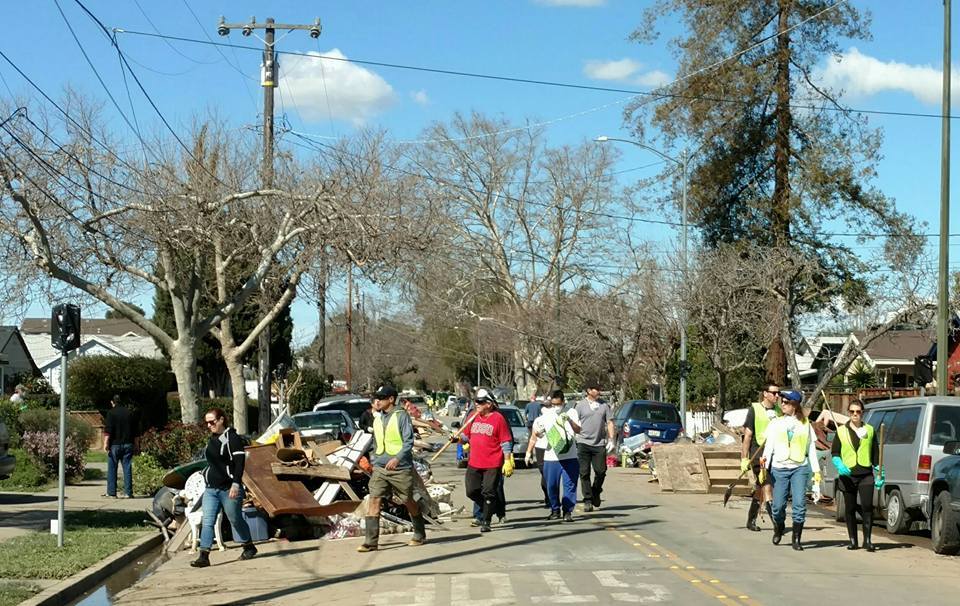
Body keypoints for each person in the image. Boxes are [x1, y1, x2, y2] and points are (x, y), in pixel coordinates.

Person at [357, 385, 427, 552]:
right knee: (374, 500)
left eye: (381, 398)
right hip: (380, 468)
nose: (377, 401)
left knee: (407, 500)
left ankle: (419, 532)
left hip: (400, 468)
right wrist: (374, 459)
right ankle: (370, 541)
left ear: (391, 399)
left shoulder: (401, 416)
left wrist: (397, 459)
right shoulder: (377, 418)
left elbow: (408, 441)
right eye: (376, 398)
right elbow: (376, 440)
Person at [191, 407, 257, 567]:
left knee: (235, 519)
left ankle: (249, 546)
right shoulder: (213, 439)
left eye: (212, 422)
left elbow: (239, 463)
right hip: (211, 489)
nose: (209, 426)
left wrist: (236, 483)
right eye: (206, 423)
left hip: (229, 488)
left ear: (221, 420)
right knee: (208, 521)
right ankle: (204, 556)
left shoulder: (232, 438)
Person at [761, 390, 822, 551]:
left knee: (799, 504)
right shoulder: (776, 423)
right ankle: (779, 527)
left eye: (786, 402)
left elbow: (811, 450)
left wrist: (816, 473)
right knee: (778, 506)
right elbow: (769, 447)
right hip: (779, 468)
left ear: (794, 405)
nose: (782, 404)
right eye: (782, 401)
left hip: (799, 468)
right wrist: (764, 467)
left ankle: (796, 539)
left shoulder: (805, 424)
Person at [452, 388, 513, 533]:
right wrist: (458, 439)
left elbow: (505, 442)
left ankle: (486, 521)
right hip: (474, 462)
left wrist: (507, 460)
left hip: (493, 463)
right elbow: (466, 437)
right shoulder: (473, 417)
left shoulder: (498, 418)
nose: (477, 404)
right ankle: (493, 505)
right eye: (476, 401)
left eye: (480, 402)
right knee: (471, 491)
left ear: (489, 404)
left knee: (489, 491)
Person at [830, 400, 882, 551]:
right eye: (852, 411)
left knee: (867, 506)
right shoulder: (841, 431)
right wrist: (839, 464)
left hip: (866, 473)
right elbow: (835, 452)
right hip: (848, 475)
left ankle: (868, 540)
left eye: (858, 412)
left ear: (862, 413)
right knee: (850, 508)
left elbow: (876, 452)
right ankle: (853, 540)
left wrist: (879, 470)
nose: (855, 414)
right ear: (848, 412)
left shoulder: (870, 430)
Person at [525, 390, 581, 522]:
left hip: (570, 456)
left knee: (570, 485)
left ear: (563, 402)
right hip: (551, 456)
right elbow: (537, 433)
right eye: (554, 404)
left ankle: (567, 511)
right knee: (551, 485)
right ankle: (555, 509)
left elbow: (579, 429)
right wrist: (538, 434)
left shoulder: (571, 412)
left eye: (558, 404)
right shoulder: (546, 415)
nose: (556, 407)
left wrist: (570, 421)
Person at [740, 385, 783, 531]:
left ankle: (750, 520)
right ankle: (777, 524)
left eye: (778, 393)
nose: (777, 396)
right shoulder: (755, 409)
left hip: (774, 454)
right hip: (759, 454)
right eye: (774, 393)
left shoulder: (779, 411)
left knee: (760, 488)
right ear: (765, 393)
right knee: (767, 486)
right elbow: (748, 436)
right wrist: (744, 459)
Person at [574, 380, 615, 512]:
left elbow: (609, 422)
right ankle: (587, 499)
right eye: (595, 389)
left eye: (599, 389)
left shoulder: (604, 406)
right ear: (588, 391)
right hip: (583, 443)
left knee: (601, 471)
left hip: (599, 444)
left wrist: (611, 440)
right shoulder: (580, 406)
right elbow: (574, 423)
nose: (599, 391)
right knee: (584, 472)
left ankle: (596, 491)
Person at [102, 394, 138, 499]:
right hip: (128, 444)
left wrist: (105, 443)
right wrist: (137, 445)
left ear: (112, 402)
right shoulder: (130, 413)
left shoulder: (111, 413)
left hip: (115, 444)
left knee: (112, 467)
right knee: (127, 467)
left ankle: (112, 492)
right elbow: (136, 431)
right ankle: (128, 492)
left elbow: (108, 430)